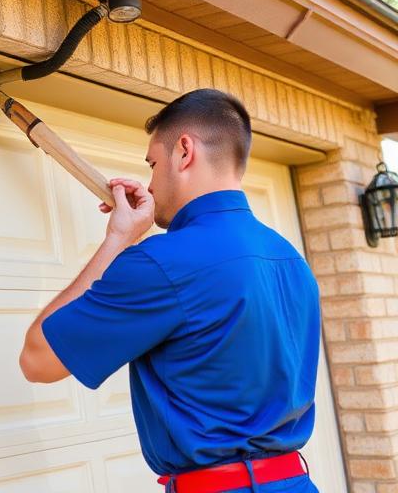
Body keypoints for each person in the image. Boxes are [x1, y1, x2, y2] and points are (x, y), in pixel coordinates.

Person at [18, 88, 321, 493]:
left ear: (184, 152)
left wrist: (119, 239)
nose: (151, 182)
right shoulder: (291, 260)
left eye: (152, 164)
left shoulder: (163, 262)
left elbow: (38, 359)